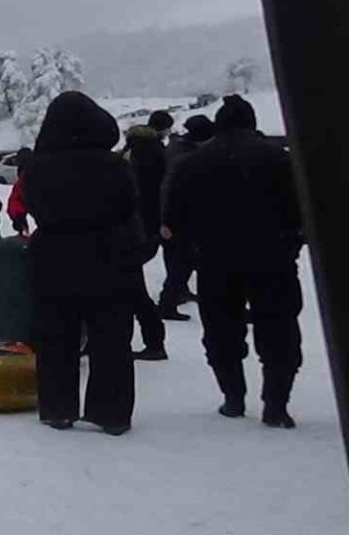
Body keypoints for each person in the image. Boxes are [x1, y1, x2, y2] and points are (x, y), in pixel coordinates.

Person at [166, 96, 304, 428]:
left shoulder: (192, 163)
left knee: (222, 331)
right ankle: (276, 404)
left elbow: (174, 218)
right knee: (279, 330)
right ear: (252, 123)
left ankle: (233, 397)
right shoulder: (280, 159)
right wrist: (292, 243)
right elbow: (302, 210)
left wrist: (193, 250)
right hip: (273, 258)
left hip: (215, 261)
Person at [23, 91, 143, 435]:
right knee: (111, 338)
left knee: (56, 338)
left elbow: (34, 207)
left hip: (53, 259)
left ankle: (57, 408)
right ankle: (111, 412)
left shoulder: (37, 168)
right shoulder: (114, 166)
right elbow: (128, 207)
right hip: (108, 257)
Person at [157, 114, 216, 317]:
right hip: (183, 218)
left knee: (183, 263)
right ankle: (167, 303)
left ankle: (171, 300)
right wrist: (165, 220)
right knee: (184, 263)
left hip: (182, 217)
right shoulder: (183, 157)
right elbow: (169, 189)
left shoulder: (179, 150)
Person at [123, 116, 171, 360]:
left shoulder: (128, 158)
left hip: (127, 229)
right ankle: (154, 341)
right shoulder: (159, 154)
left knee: (131, 290)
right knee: (134, 288)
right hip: (145, 228)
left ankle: (151, 342)